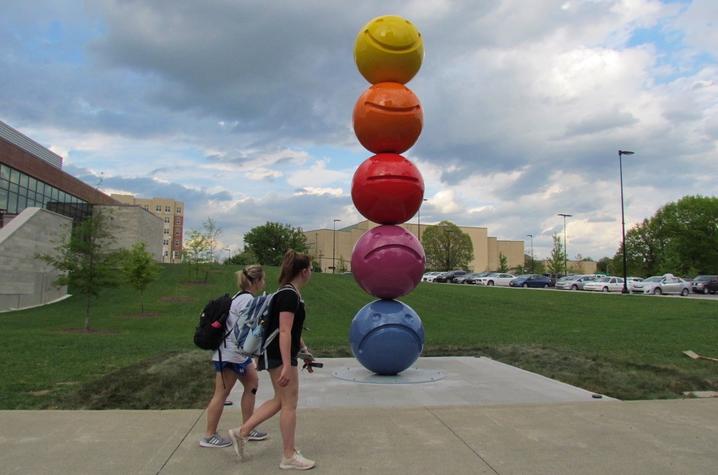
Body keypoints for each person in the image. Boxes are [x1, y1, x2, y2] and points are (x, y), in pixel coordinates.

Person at [229, 250, 317, 470]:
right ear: (304, 271)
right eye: (312, 269)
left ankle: (242, 432)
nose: (312, 273)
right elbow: (285, 331)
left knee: (280, 400)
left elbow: (290, 330)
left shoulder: (288, 293)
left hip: (277, 353)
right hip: (279, 356)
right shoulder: (289, 295)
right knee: (289, 404)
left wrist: (304, 351)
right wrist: (287, 365)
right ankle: (288, 455)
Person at [199, 265, 269, 448]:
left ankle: (248, 427)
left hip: (236, 353)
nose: (265, 282)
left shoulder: (239, 297)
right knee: (221, 394)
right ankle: (209, 435)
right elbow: (251, 329)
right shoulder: (247, 300)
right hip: (229, 354)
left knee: (252, 383)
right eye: (263, 279)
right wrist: (258, 353)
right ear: (256, 281)